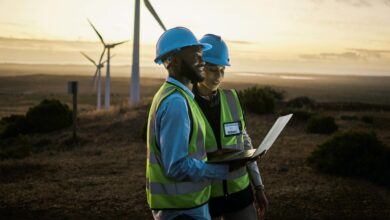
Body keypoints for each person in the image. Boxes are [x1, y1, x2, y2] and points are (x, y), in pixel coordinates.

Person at [146, 27, 246, 220]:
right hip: (181, 210)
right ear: (172, 61)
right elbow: (176, 166)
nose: (202, 61)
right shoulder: (176, 102)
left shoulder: (179, 96)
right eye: (195, 56)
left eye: (201, 55)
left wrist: (215, 155)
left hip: (186, 206)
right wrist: (222, 170)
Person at [192, 34, 269, 220]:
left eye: (222, 70)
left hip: (240, 196)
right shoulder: (184, 103)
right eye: (212, 70)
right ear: (199, 67)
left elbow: (245, 143)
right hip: (204, 198)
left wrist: (258, 186)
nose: (218, 76)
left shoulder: (232, 98)